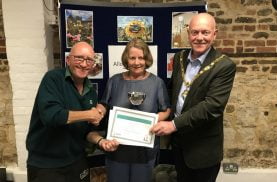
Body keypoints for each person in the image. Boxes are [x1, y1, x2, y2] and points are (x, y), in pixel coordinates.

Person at [151, 13, 236, 182]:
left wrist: (173, 125)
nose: (199, 38)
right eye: (195, 32)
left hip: (203, 149)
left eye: (205, 32)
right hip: (179, 144)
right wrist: (156, 114)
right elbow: (172, 92)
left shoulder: (224, 65)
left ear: (214, 34)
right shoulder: (179, 58)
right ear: (188, 33)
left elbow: (212, 106)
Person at [26, 41, 118, 182]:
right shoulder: (53, 78)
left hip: (77, 160)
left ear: (93, 64)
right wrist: (90, 114)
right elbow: (52, 116)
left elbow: (86, 131)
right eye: (79, 58)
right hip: (46, 164)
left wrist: (101, 141)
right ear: (68, 59)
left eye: (89, 60)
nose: (83, 64)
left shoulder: (91, 92)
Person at [101, 38, 171, 182]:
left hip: (144, 150)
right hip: (117, 148)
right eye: (132, 58)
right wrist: (96, 113)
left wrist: (149, 122)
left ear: (147, 59)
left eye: (141, 57)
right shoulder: (114, 81)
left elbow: (166, 110)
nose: (137, 62)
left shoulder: (157, 83)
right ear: (126, 59)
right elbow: (103, 104)